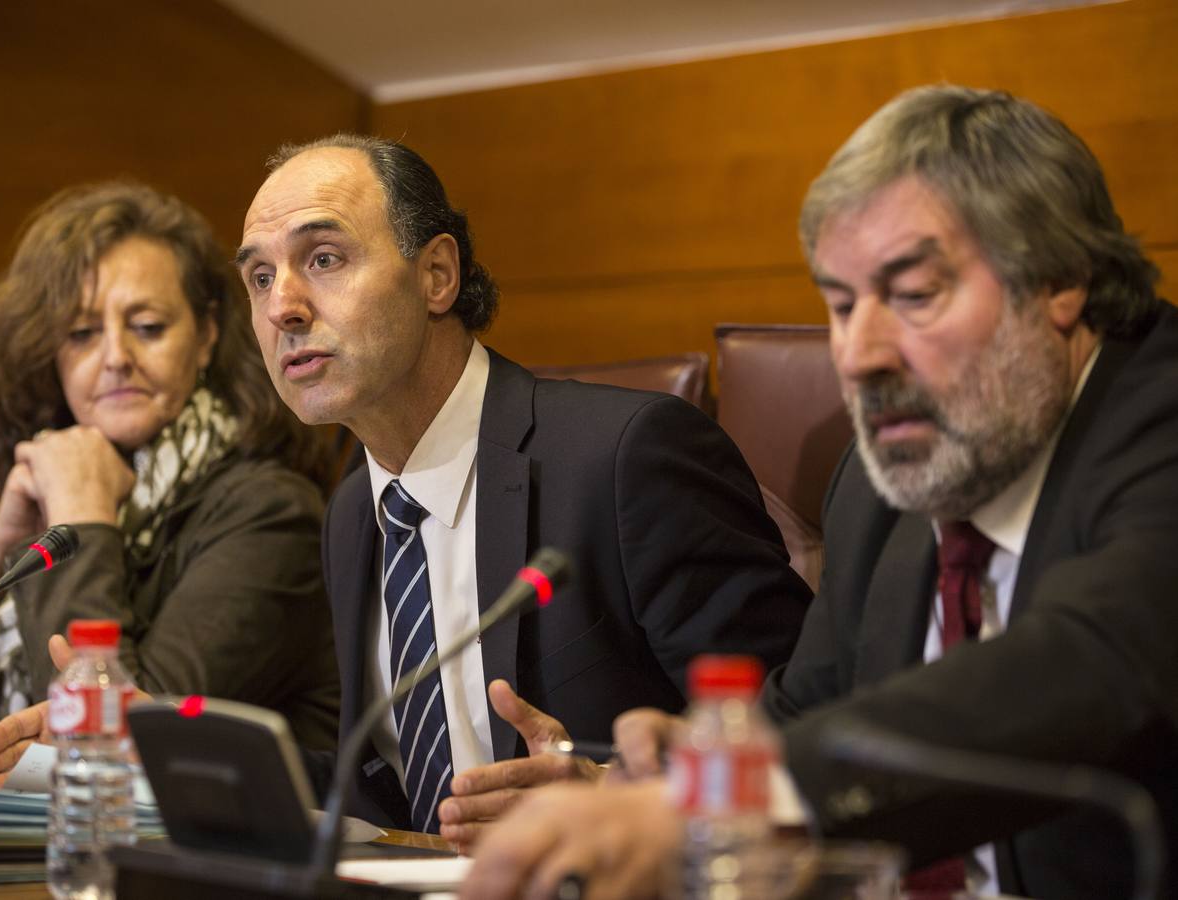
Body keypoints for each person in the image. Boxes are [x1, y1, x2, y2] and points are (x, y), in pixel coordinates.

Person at [0, 137, 811, 837]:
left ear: (437, 274)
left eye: (323, 259)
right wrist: (152, 742)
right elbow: (378, 793)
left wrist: (618, 800)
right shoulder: (354, 511)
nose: (283, 309)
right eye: (260, 278)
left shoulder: (628, 457)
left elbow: (803, 740)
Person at [460, 85, 1178, 900]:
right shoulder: (882, 486)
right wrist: (661, 793)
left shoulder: (1160, 415)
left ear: (1060, 281)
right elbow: (806, 715)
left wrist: (762, 794)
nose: (859, 354)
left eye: (912, 296)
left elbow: (1097, 662)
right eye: (839, 304)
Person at [0, 182, 342, 773]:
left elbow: (115, 743)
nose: (114, 356)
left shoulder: (273, 513)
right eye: (83, 334)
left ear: (206, 336)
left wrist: (81, 520)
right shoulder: (60, 491)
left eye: (146, 326)